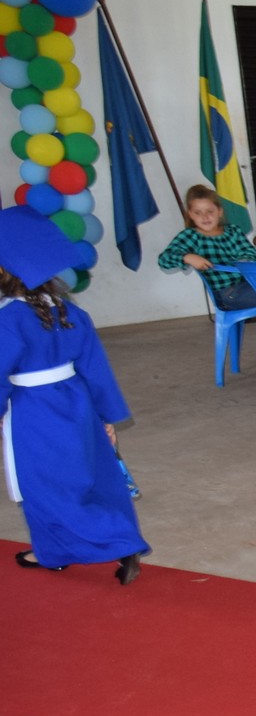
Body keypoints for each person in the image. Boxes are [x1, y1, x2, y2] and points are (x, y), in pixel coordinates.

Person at [2, 208, 150, 584]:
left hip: (34, 410)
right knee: (82, 476)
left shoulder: (9, 320)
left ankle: (120, 539)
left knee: (47, 488)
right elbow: (96, 369)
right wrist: (106, 417)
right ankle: (53, 551)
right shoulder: (71, 312)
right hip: (77, 402)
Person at [159, 184, 256, 312]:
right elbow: (164, 260)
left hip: (249, 284)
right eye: (198, 213)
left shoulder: (233, 231)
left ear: (219, 211)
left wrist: (244, 262)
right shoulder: (191, 236)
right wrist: (187, 257)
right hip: (227, 294)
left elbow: (250, 252)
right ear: (190, 214)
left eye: (210, 211)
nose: (205, 217)